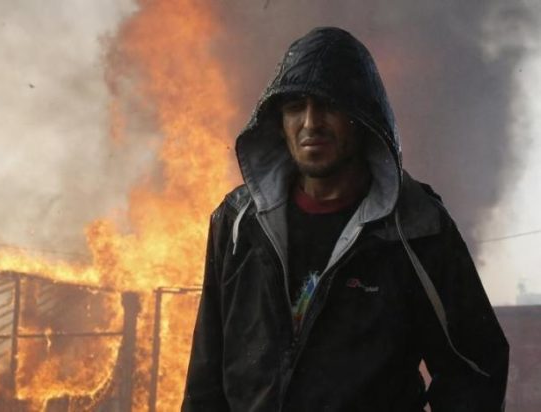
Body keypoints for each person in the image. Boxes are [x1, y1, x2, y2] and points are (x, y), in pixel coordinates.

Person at [182, 27, 509, 412]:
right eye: (295, 107)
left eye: (328, 105)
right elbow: (206, 382)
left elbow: (474, 370)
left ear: (362, 116)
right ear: (278, 121)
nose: (310, 123)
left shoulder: (416, 229)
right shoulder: (238, 224)